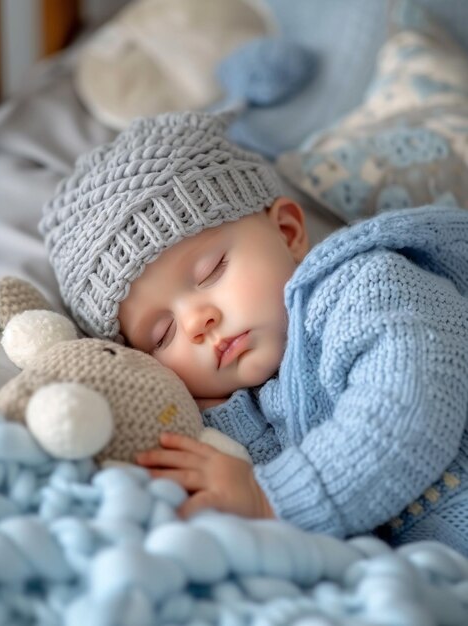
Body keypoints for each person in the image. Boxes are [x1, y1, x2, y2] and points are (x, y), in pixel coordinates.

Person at [40, 111, 468, 554]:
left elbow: (408, 410)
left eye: (212, 271)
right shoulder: (239, 403)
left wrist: (268, 497)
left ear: (287, 232)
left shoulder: (368, 287)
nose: (195, 323)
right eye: (162, 334)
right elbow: (237, 482)